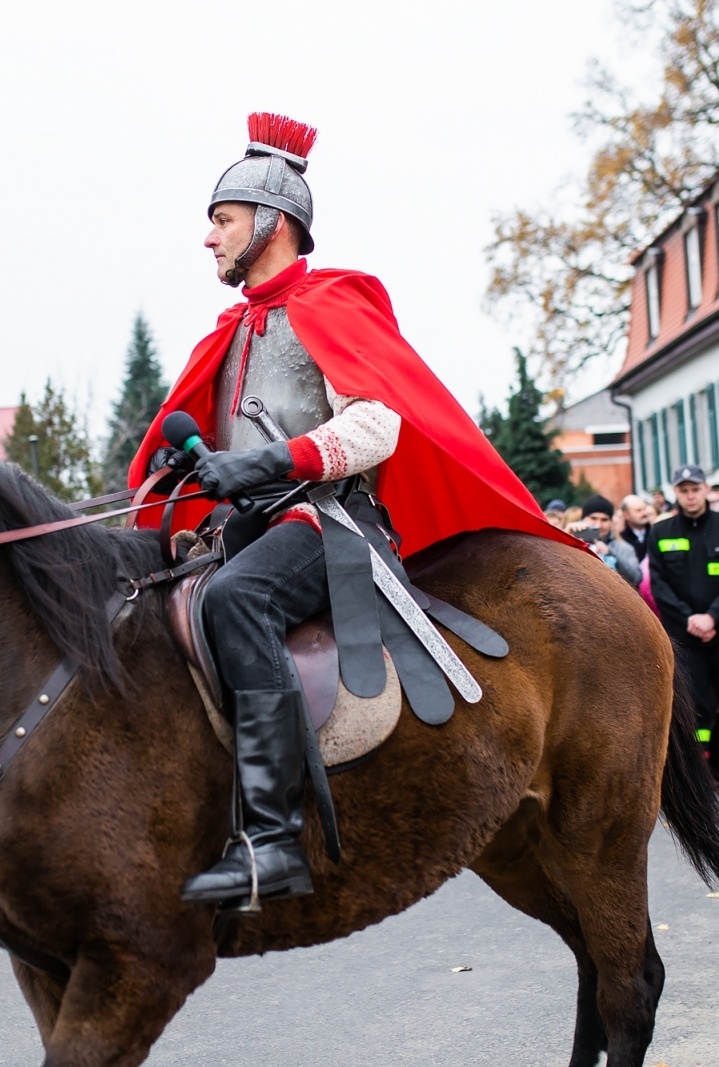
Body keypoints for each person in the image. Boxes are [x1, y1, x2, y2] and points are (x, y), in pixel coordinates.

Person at [128, 112, 576, 905]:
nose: (209, 237)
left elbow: (375, 427)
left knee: (237, 599)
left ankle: (272, 842)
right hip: (250, 527)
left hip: (327, 522)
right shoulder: (234, 331)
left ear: (272, 222)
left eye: (223, 220)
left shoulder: (329, 304)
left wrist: (266, 462)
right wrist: (190, 474)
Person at [647, 465, 719, 819]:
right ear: (676, 493)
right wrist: (691, 619)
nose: (690, 495)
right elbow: (659, 584)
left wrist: (713, 616)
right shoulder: (661, 531)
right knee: (694, 714)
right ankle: (701, 792)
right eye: (683, 490)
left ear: (706, 489)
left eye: (695, 489)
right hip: (686, 639)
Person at [572, 494, 640, 585]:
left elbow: (636, 578)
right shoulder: (572, 541)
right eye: (593, 518)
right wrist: (567, 536)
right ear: (582, 519)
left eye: (604, 520)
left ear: (611, 522)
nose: (598, 525)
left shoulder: (623, 548)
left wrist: (610, 554)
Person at [617, 494, 654, 562]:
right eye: (638, 510)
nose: (644, 513)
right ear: (626, 515)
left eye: (644, 509)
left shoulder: (655, 533)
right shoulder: (621, 538)